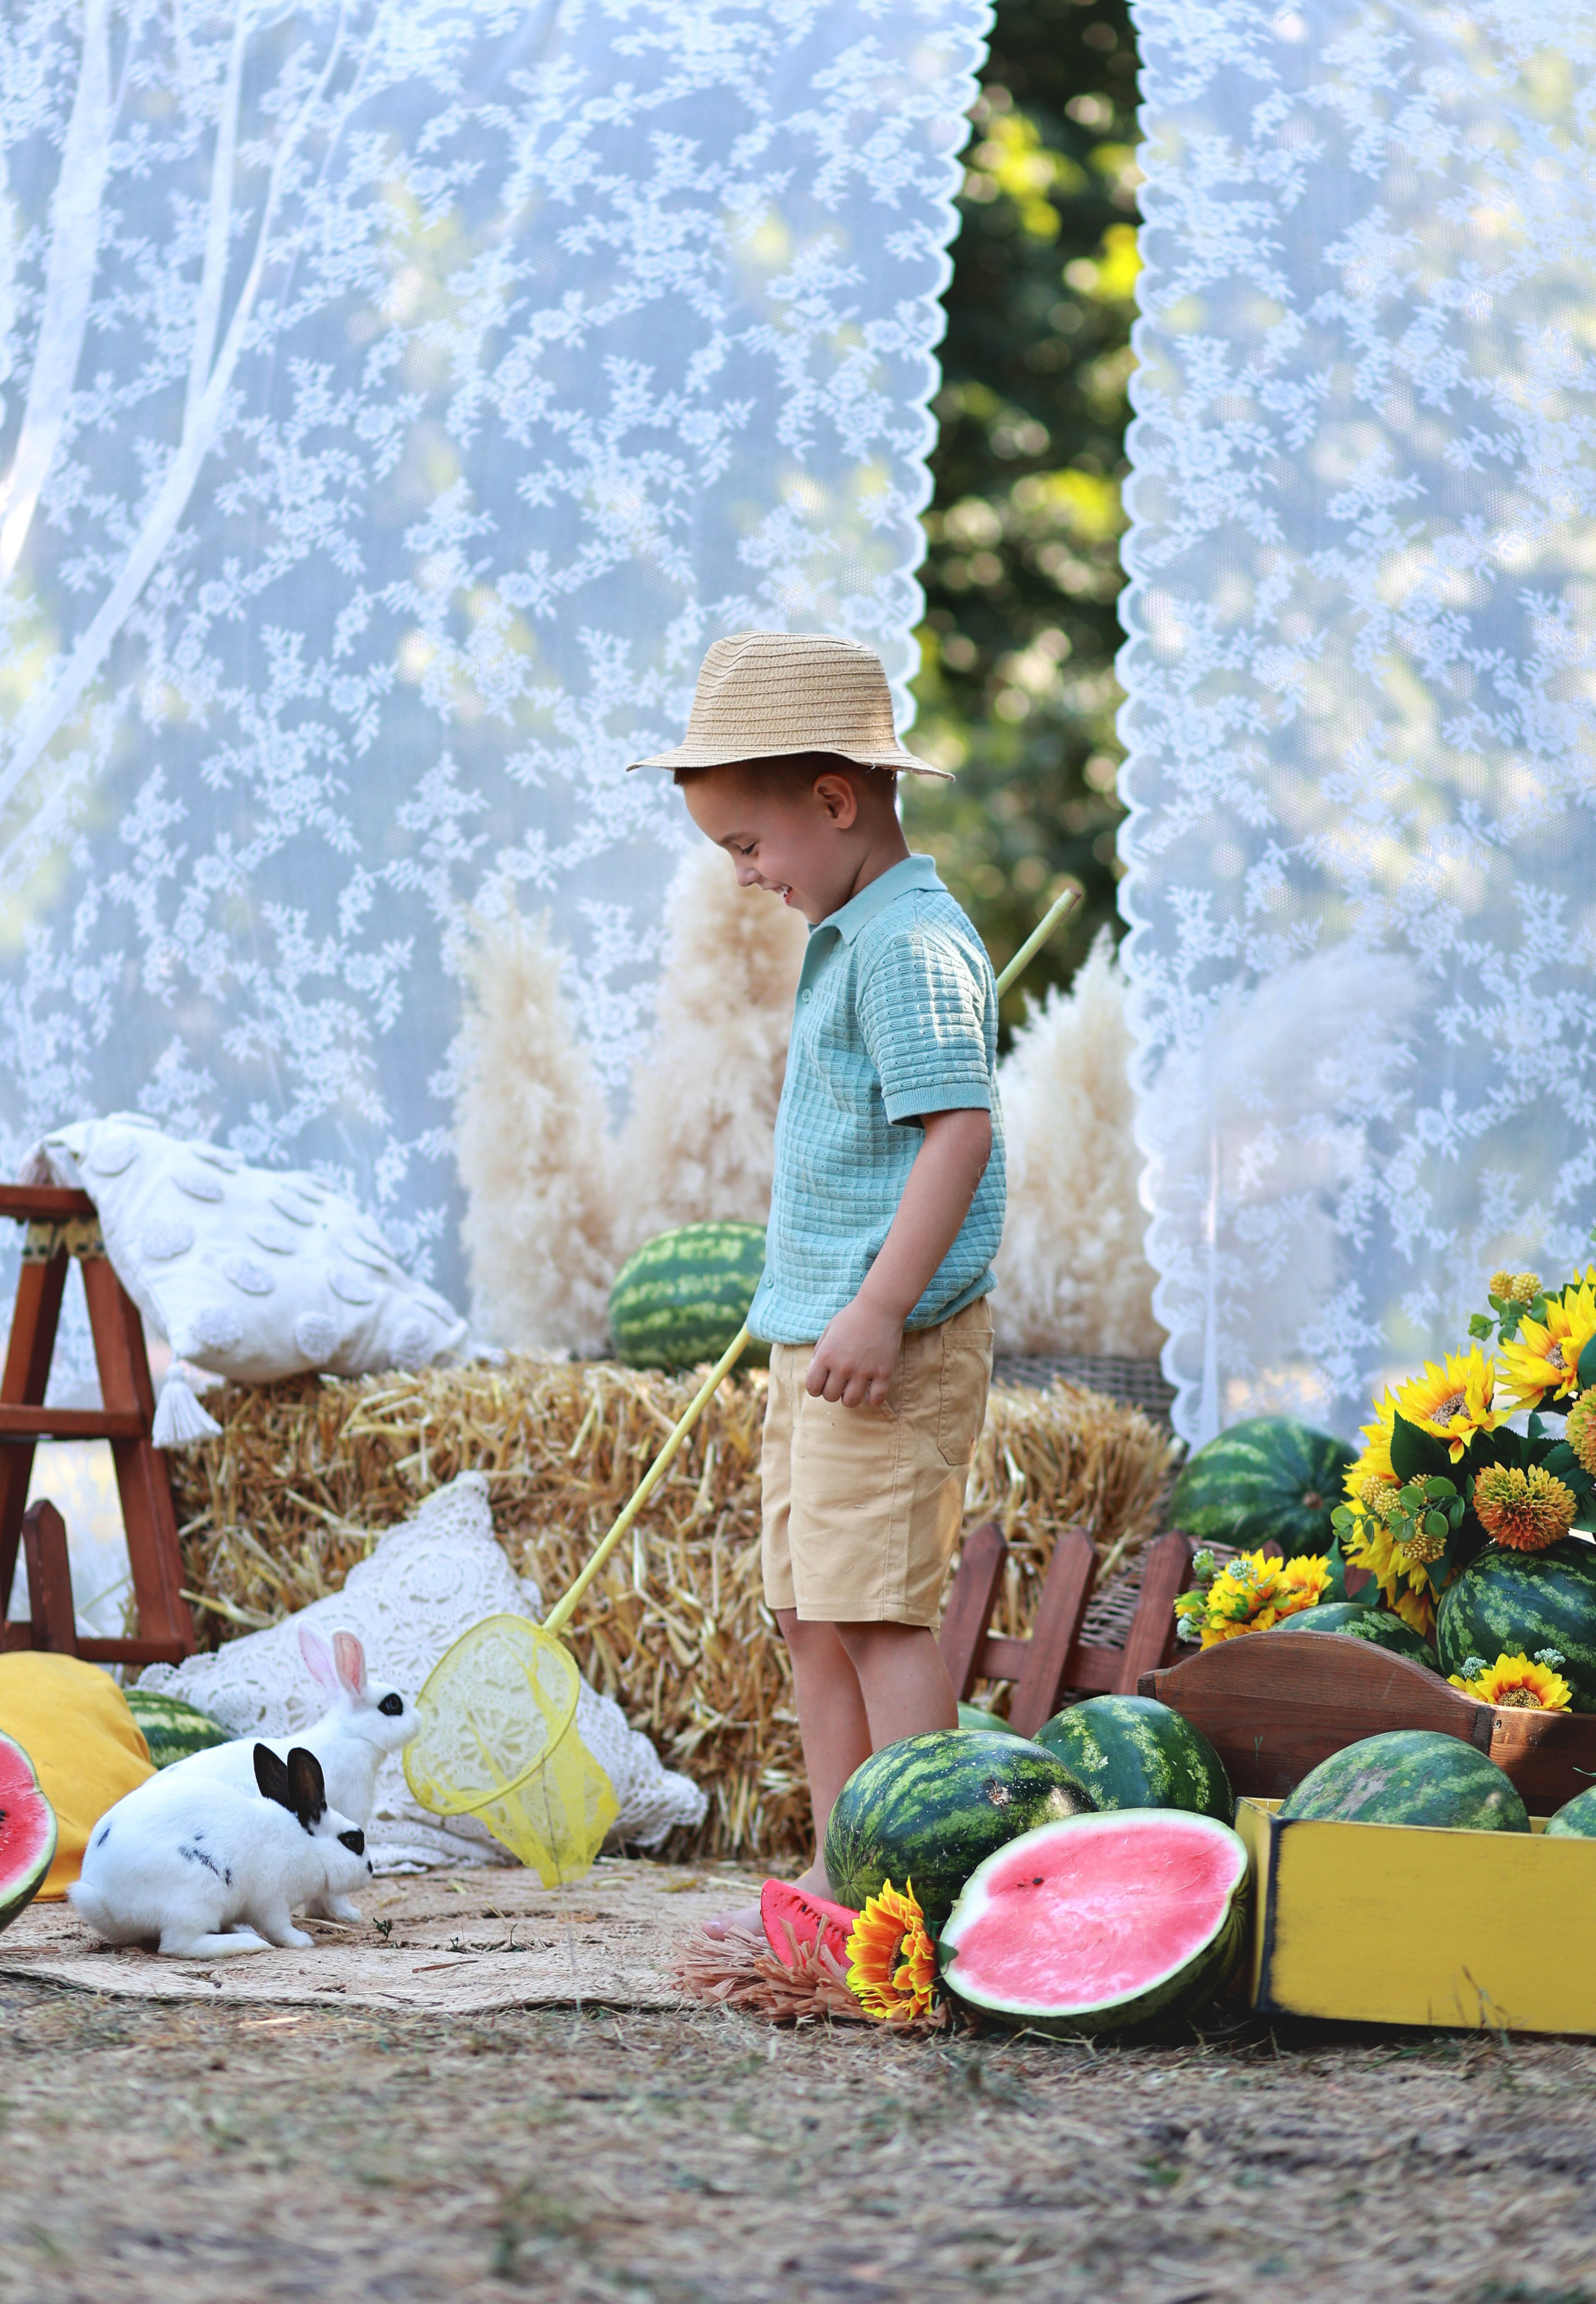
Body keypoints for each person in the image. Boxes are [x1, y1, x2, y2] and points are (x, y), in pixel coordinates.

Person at [628, 631, 1004, 1934]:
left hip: (883, 1347)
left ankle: (919, 1888)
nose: (743, 877)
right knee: (809, 1615)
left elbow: (959, 1130)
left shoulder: (910, 947)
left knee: (881, 1618)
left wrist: (879, 1306)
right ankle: (850, 1876)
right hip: (824, 1338)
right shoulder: (850, 930)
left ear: (834, 801)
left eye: (748, 847)